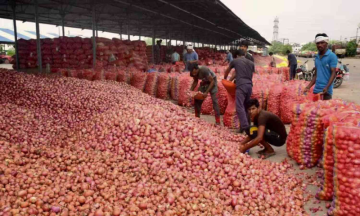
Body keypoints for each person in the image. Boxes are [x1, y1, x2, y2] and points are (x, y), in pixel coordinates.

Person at [224, 49, 254, 133]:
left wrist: (225, 79)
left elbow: (227, 71)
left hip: (241, 86)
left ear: (237, 55)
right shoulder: (251, 63)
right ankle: (245, 127)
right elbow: (248, 75)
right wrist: (231, 80)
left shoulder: (235, 61)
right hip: (249, 86)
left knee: (239, 106)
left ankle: (246, 127)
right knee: (246, 106)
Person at [304, 33, 337, 100]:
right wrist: (308, 87)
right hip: (316, 90)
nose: (320, 45)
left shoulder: (332, 56)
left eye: (322, 43)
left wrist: (327, 87)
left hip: (326, 92)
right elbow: (316, 75)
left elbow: (333, 73)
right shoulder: (317, 57)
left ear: (327, 43)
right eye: (318, 43)